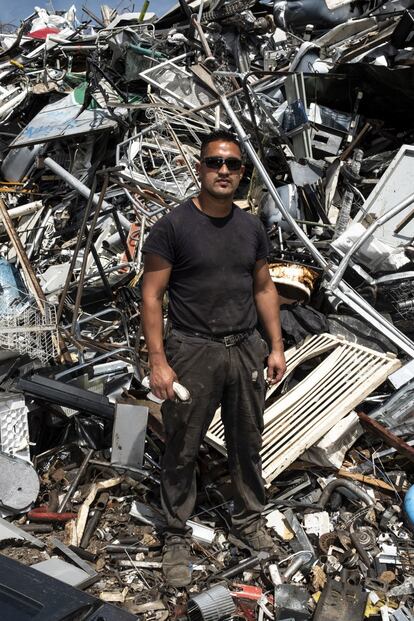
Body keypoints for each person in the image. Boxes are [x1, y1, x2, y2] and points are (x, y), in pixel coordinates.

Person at [141, 130, 286, 588]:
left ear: (242, 173)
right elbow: (151, 296)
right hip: (193, 348)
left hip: (245, 348)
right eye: (213, 162)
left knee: (247, 441)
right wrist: (159, 361)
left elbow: (264, 288)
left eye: (232, 164)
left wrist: (276, 346)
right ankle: (176, 534)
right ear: (199, 168)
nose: (223, 170)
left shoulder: (251, 227)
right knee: (182, 446)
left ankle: (248, 522)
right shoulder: (174, 227)